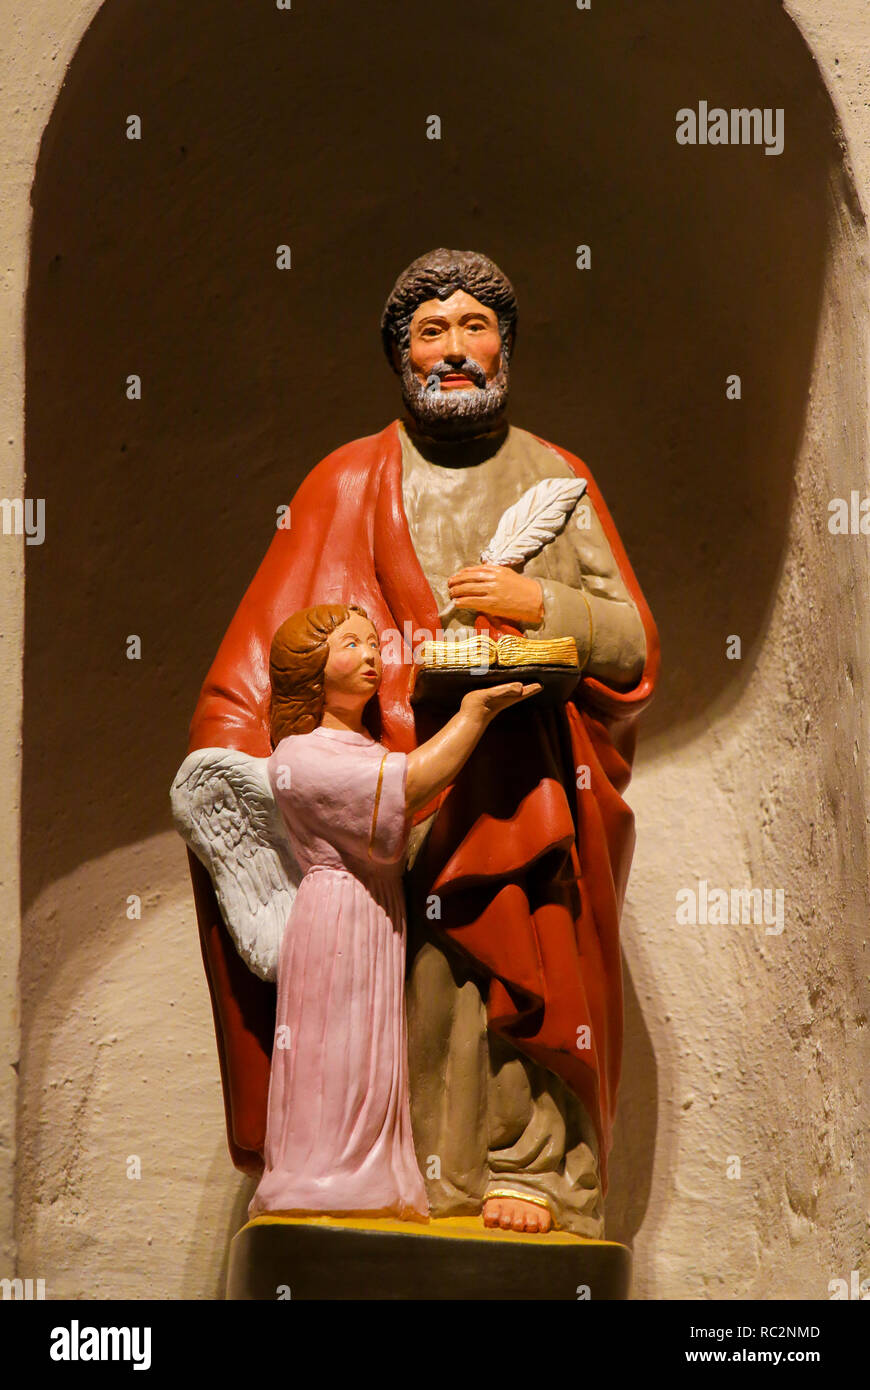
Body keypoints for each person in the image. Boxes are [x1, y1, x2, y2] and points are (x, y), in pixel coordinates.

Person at [185, 248, 659, 1238]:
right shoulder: (343, 482)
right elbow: (264, 667)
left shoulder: (558, 476)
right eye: (431, 330)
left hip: (523, 779)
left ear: (506, 347)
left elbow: (632, 647)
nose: (455, 349)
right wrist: (235, 755)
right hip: (384, 807)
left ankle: (528, 1162)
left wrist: (539, 602)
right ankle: (381, 1165)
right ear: (400, 354)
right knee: (396, 989)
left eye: (475, 327)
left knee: (522, 951)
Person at [248, 602, 540, 1221]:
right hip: (337, 914)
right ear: (311, 669)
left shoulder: (361, 746)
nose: (372, 657)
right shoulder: (300, 755)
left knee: (374, 1052)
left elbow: (412, 800)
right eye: (350, 647)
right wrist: (474, 714)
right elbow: (410, 783)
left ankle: (373, 1176)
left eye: (374, 646)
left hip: (376, 911)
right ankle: (318, 1176)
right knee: (336, 1051)